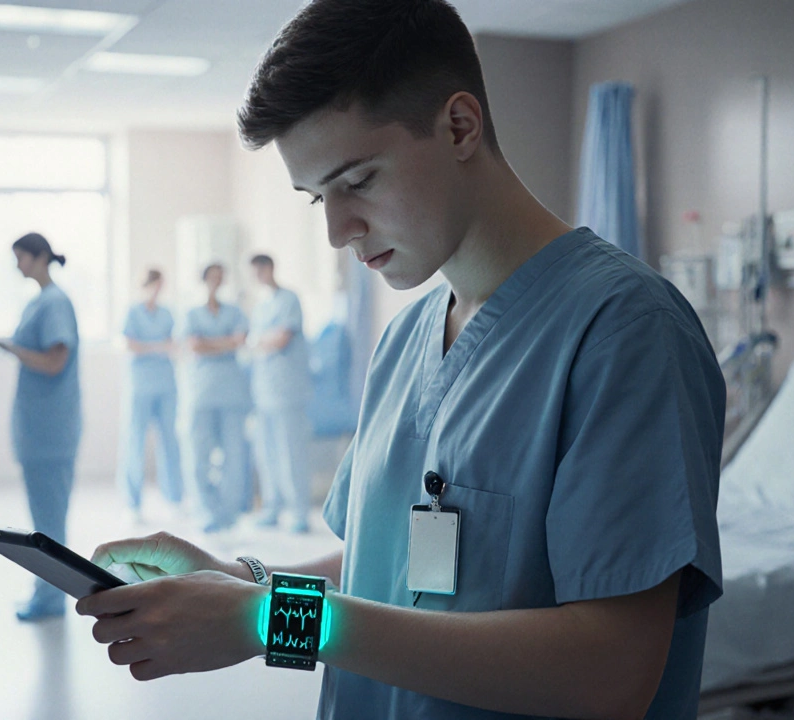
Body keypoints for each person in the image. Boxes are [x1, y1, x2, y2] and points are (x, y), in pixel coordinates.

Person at [75, 1, 725, 718]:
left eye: (357, 182)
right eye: (317, 196)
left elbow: (610, 674)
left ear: (458, 127)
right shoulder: (406, 340)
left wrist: (260, 620)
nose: (336, 230)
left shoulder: (622, 333)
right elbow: (381, 580)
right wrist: (243, 588)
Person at [0, 232, 82, 621]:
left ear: (39, 257)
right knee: (45, 515)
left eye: (20, 257)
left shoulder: (55, 303)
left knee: (49, 520)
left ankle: (52, 596)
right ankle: (48, 591)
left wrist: (8, 347)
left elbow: (54, 361)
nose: (17, 265)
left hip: (50, 431)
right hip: (41, 428)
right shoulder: (41, 302)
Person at [183, 263, 252, 532]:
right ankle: (206, 510)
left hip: (232, 393)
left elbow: (240, 340)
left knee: (234, 454)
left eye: (220, 277)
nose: (216, 281)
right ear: (203, 280)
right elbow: (194, 345)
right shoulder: (192, 313)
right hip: (202, 393)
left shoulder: (234, 311)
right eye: (212, 277)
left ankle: (227, 513)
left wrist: (210, 343)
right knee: (199, 454)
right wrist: (226, 342)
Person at [246, 254, 313, 533]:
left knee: (290, 452)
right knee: (267, 453)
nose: (257, 275)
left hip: (288, 391)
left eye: (260, 269)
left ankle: (298, 512)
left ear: (271, 267)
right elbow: (257, 342)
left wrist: (257, 341)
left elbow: (281, 338)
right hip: (264, 391)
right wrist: (261, 341)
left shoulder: (289, 300)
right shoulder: (261, 306)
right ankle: (272, 507)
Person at [118, 269, 183, 522]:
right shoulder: (133, 312)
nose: (156, 290)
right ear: (144, 286)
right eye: (152, 285)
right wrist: (159, 347)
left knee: (169, 441)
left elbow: (174, 345)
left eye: (159, 285)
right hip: (140, 386)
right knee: (134, 443)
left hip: (166, 385)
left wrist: (150, 347)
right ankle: (132, 504)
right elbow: (130, 345)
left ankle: (173, 498)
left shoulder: (167, 313)